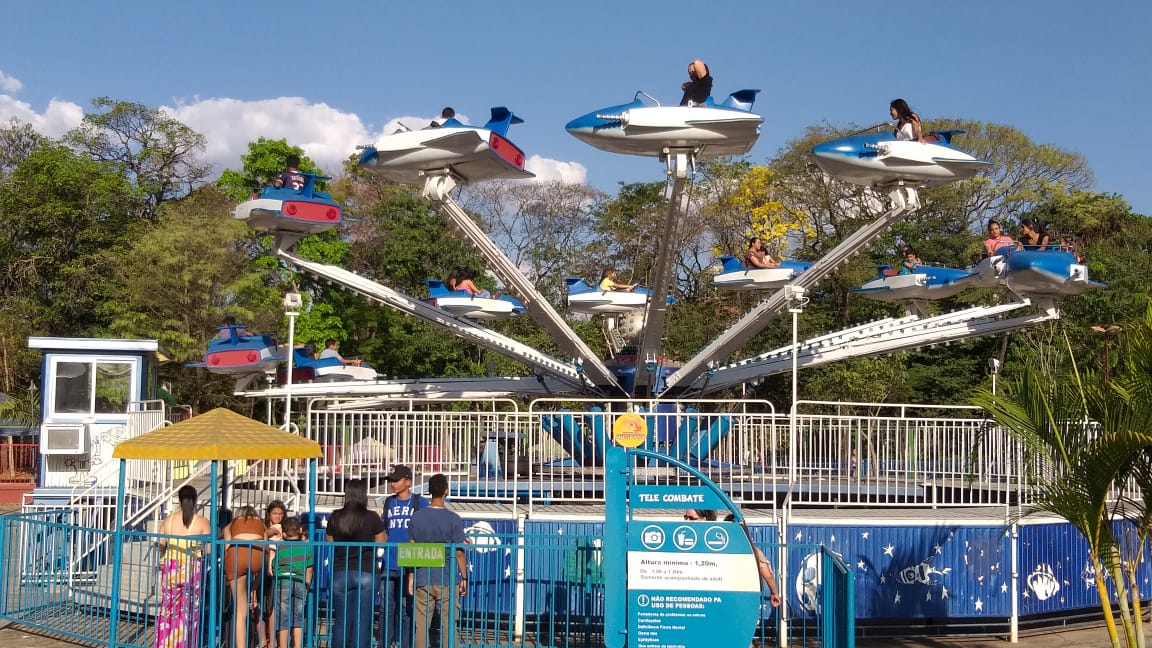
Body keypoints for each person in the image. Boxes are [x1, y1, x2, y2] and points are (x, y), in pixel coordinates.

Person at [408, 473, 467, 648]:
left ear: (429, 491)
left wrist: (411, 575)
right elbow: (459, 553)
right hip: (447, 578)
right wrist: (464, 577)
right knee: (449, 626)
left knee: (421, 627)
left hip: (423, 576)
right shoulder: (453, 519)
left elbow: (412, 548)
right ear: (446, 491)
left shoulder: (416, 517)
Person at [327, 479, 387, 648]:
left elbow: (329, 542)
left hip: (340, 571)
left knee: (341, 620)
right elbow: (382, 541)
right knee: (362, 621)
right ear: (363, 495)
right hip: (366, 571)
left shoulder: (335, 516)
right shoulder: (371, 517)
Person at [155, 485, 211, 648]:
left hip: (171, 566)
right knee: (188, 611)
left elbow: (160, 544)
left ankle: (166, 643)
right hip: (191, 567)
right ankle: (185, 643)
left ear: (179, 501)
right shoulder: (201, 522)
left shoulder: (169, 520)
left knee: (168, 609)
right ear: (194, 500)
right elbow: (208, 549)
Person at [380, 466, 428, 648]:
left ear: (408, 481)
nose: (393, 484)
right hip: (389, 562)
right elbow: (384, 529)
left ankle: (406, 644)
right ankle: (385, 643)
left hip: (410, 565)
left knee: (406, 609)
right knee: (386, 608)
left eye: (397, 480)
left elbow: (431, 525)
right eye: (391, 480)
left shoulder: (420, 502)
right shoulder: (388, 502)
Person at [223, 505, 267, 648]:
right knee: (261, 567)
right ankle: (254, 589)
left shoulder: (231, 525)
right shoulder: (261, 523)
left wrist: (227, 570)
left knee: (240, 611)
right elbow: (266, 547)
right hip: (257, 556)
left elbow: (226, 548)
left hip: (236, 556)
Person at [269, 516, 312, 648]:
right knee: (298, 618)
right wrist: (307, 585)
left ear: (284, 533)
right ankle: (297, 645)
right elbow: (309, 569)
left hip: (283, 582)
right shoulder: (306, 547)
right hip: (300, 582)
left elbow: (274, 566)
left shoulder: (280, 547)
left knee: (283, 618)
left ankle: (283, 645)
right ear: (300, 530)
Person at [723, 513, 781, 608]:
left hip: (725, 596)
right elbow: (768, 575)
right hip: (747, 595)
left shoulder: (719, 550)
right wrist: (774, 593)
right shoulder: (753, 551)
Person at [260, 500, 288, 647]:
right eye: (275, 513)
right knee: (261, 604)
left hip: (273, 568)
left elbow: (263, 534)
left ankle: (271, 640)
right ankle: (263, 639)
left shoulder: (278, 528)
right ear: (269, 514)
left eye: (280, 514)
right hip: (264, 567)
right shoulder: (269, 526)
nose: (278, 516)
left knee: (271, 606)